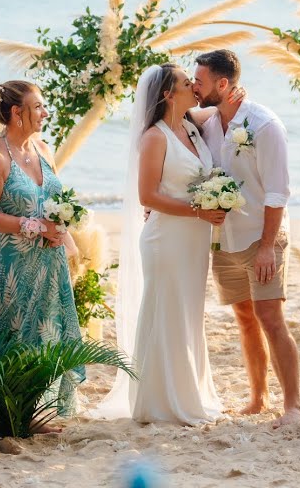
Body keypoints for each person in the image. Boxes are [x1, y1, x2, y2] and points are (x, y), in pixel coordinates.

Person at [96, 63, 227, 425]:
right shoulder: (155, 137)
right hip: (167, 239)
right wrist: (200, 212)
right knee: (166, 313)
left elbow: (216, 106)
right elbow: (148, 196)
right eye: (187, 83)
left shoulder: (190, 126)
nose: (194, 86)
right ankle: (160, 401)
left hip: (193, 242)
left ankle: (190, 392)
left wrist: (232, 96)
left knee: (187, 314)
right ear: (168, 94)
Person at [192, 49, 300, 427]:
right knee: (244, 318)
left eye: (200, 81)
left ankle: (293, 407)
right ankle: (258, 397)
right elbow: (175, 114)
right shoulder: (208, 122)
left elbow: (278, 192)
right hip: (225, 238)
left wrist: (269, 246)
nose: (194, 86)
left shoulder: (264, 125)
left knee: (270, 317)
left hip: (263, 235)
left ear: (223, 84)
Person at [0, 79, 85, 427]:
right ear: (16, 112)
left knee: (49, 329)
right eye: (38, 106)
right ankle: (10, 413)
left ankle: (42, 408)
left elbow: (55, 200)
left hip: (49, 262)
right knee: (13, 331)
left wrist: (61, 228)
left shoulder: (43, 149)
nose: (44, 112)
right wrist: (37, 227)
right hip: (13, 265)